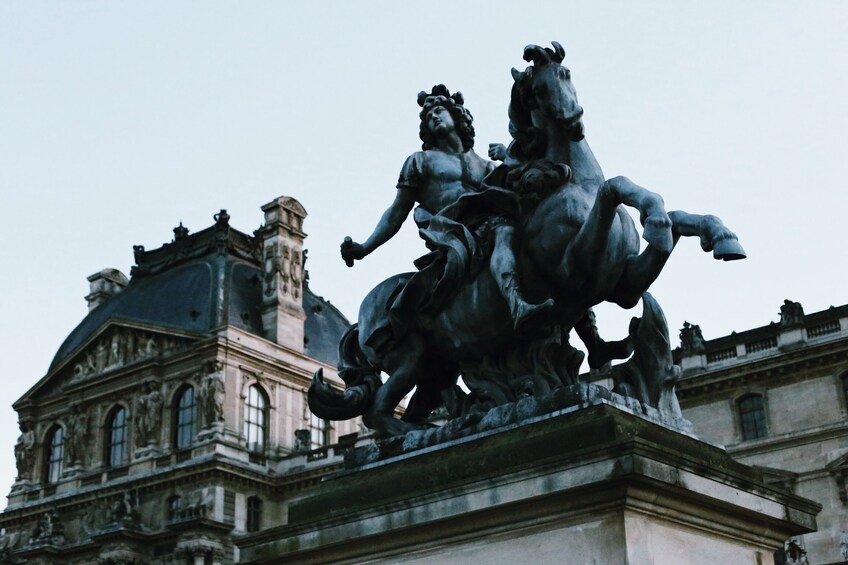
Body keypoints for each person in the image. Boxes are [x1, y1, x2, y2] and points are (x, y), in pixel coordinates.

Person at [341, 85, 553, 342]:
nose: (434, 117)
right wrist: (364, 247)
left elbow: (522, 189)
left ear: (458, 117)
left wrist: (510, 160)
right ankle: (517, 304)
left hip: (485, 223)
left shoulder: (485, 164)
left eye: (439, 111)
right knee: (505, 230)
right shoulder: (420, 160)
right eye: (429, 117)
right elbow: (397, 211)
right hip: (452, 231)